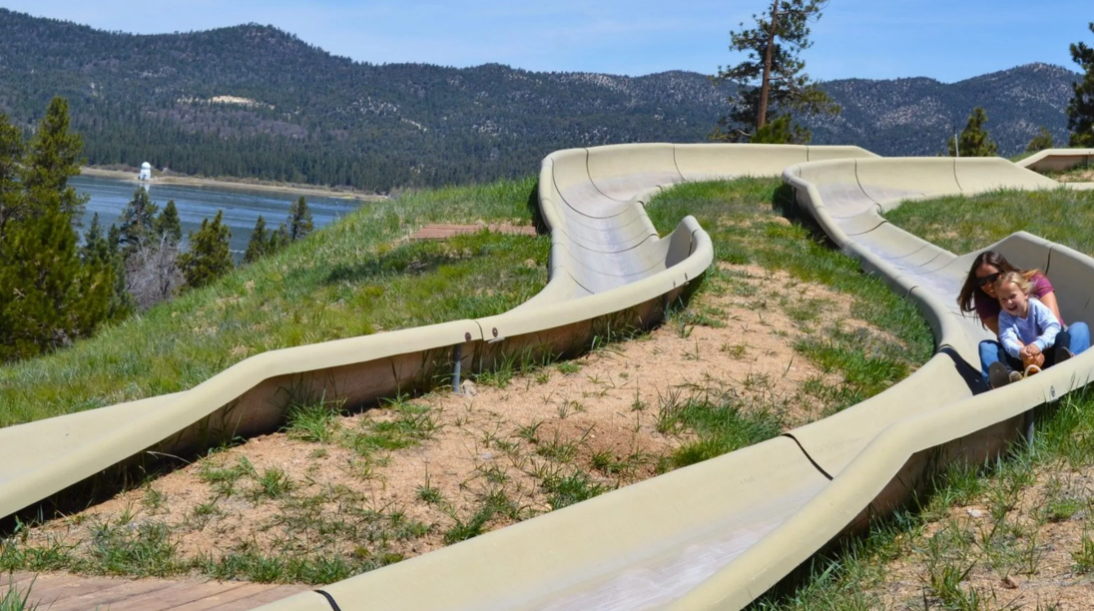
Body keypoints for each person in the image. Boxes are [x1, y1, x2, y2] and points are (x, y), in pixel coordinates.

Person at [957, 250, 1090, 388]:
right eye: (981, 281)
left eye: (992, 278)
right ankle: (1005, 382)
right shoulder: (991, 307)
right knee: (986, 347)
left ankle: (1072, 370)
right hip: (1022, 357)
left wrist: (1038, 347)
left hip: (1051, 346)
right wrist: (1026, 356)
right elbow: (1006, 337)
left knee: (1079, 329)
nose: (988, 285)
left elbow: (1054, 322)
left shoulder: (1035, 286)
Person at [989, 272, 1066, 387]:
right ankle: (1011, 378)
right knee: (1003, 351)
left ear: (1025, 294)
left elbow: (1053, 325)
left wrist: (1039, 344)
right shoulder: (1004, 317)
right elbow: (1006, 338)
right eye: (1003, 300)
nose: (1009, 302)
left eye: (1012, 296)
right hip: (1023, 359)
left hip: (1046, 352)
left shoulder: (1035, 306)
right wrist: (1020, 352)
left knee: (1062, 336)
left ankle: (1063, 362)